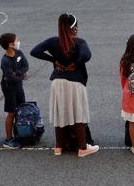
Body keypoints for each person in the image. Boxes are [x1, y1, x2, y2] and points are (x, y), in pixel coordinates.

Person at [30, 14, 99, 157]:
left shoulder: (53, 41)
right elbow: (86, 56)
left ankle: (58, 147)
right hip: (74, 82)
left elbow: (34, 51)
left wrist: (53, 60)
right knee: (78, 114)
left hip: (57, 81)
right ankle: (82, 148)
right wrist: (75, 63)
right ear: (74, 28)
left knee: (60, 113)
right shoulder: (79, 42)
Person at [0, 32, 29, 149]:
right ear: (10, 44)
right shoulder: (5, 60)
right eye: (16, 40)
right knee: (11, 112)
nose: (18, 42)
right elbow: (10, 77)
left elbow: (25, 66)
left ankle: (19, 133)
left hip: (18, 86)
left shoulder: (19, 53)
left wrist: (18, 73)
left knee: (21, 109)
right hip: (9, 88)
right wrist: (22, 75)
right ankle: (8, 139)